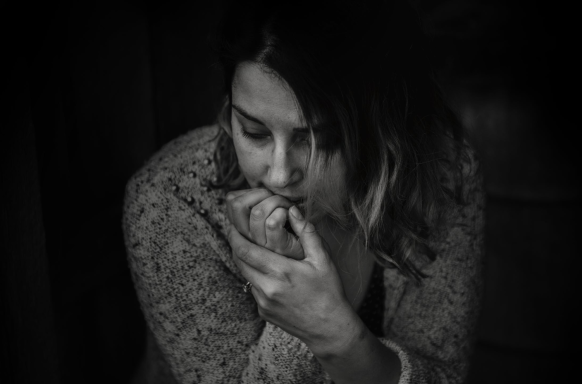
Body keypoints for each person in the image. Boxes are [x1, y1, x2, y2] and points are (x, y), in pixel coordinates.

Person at [123, 0, 484, 383]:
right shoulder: (171, 201)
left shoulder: (440, 173)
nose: (279, 174)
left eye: (321, 140)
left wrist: (333, 334)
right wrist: (293, 318)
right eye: (255, 132)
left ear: (383, 131)